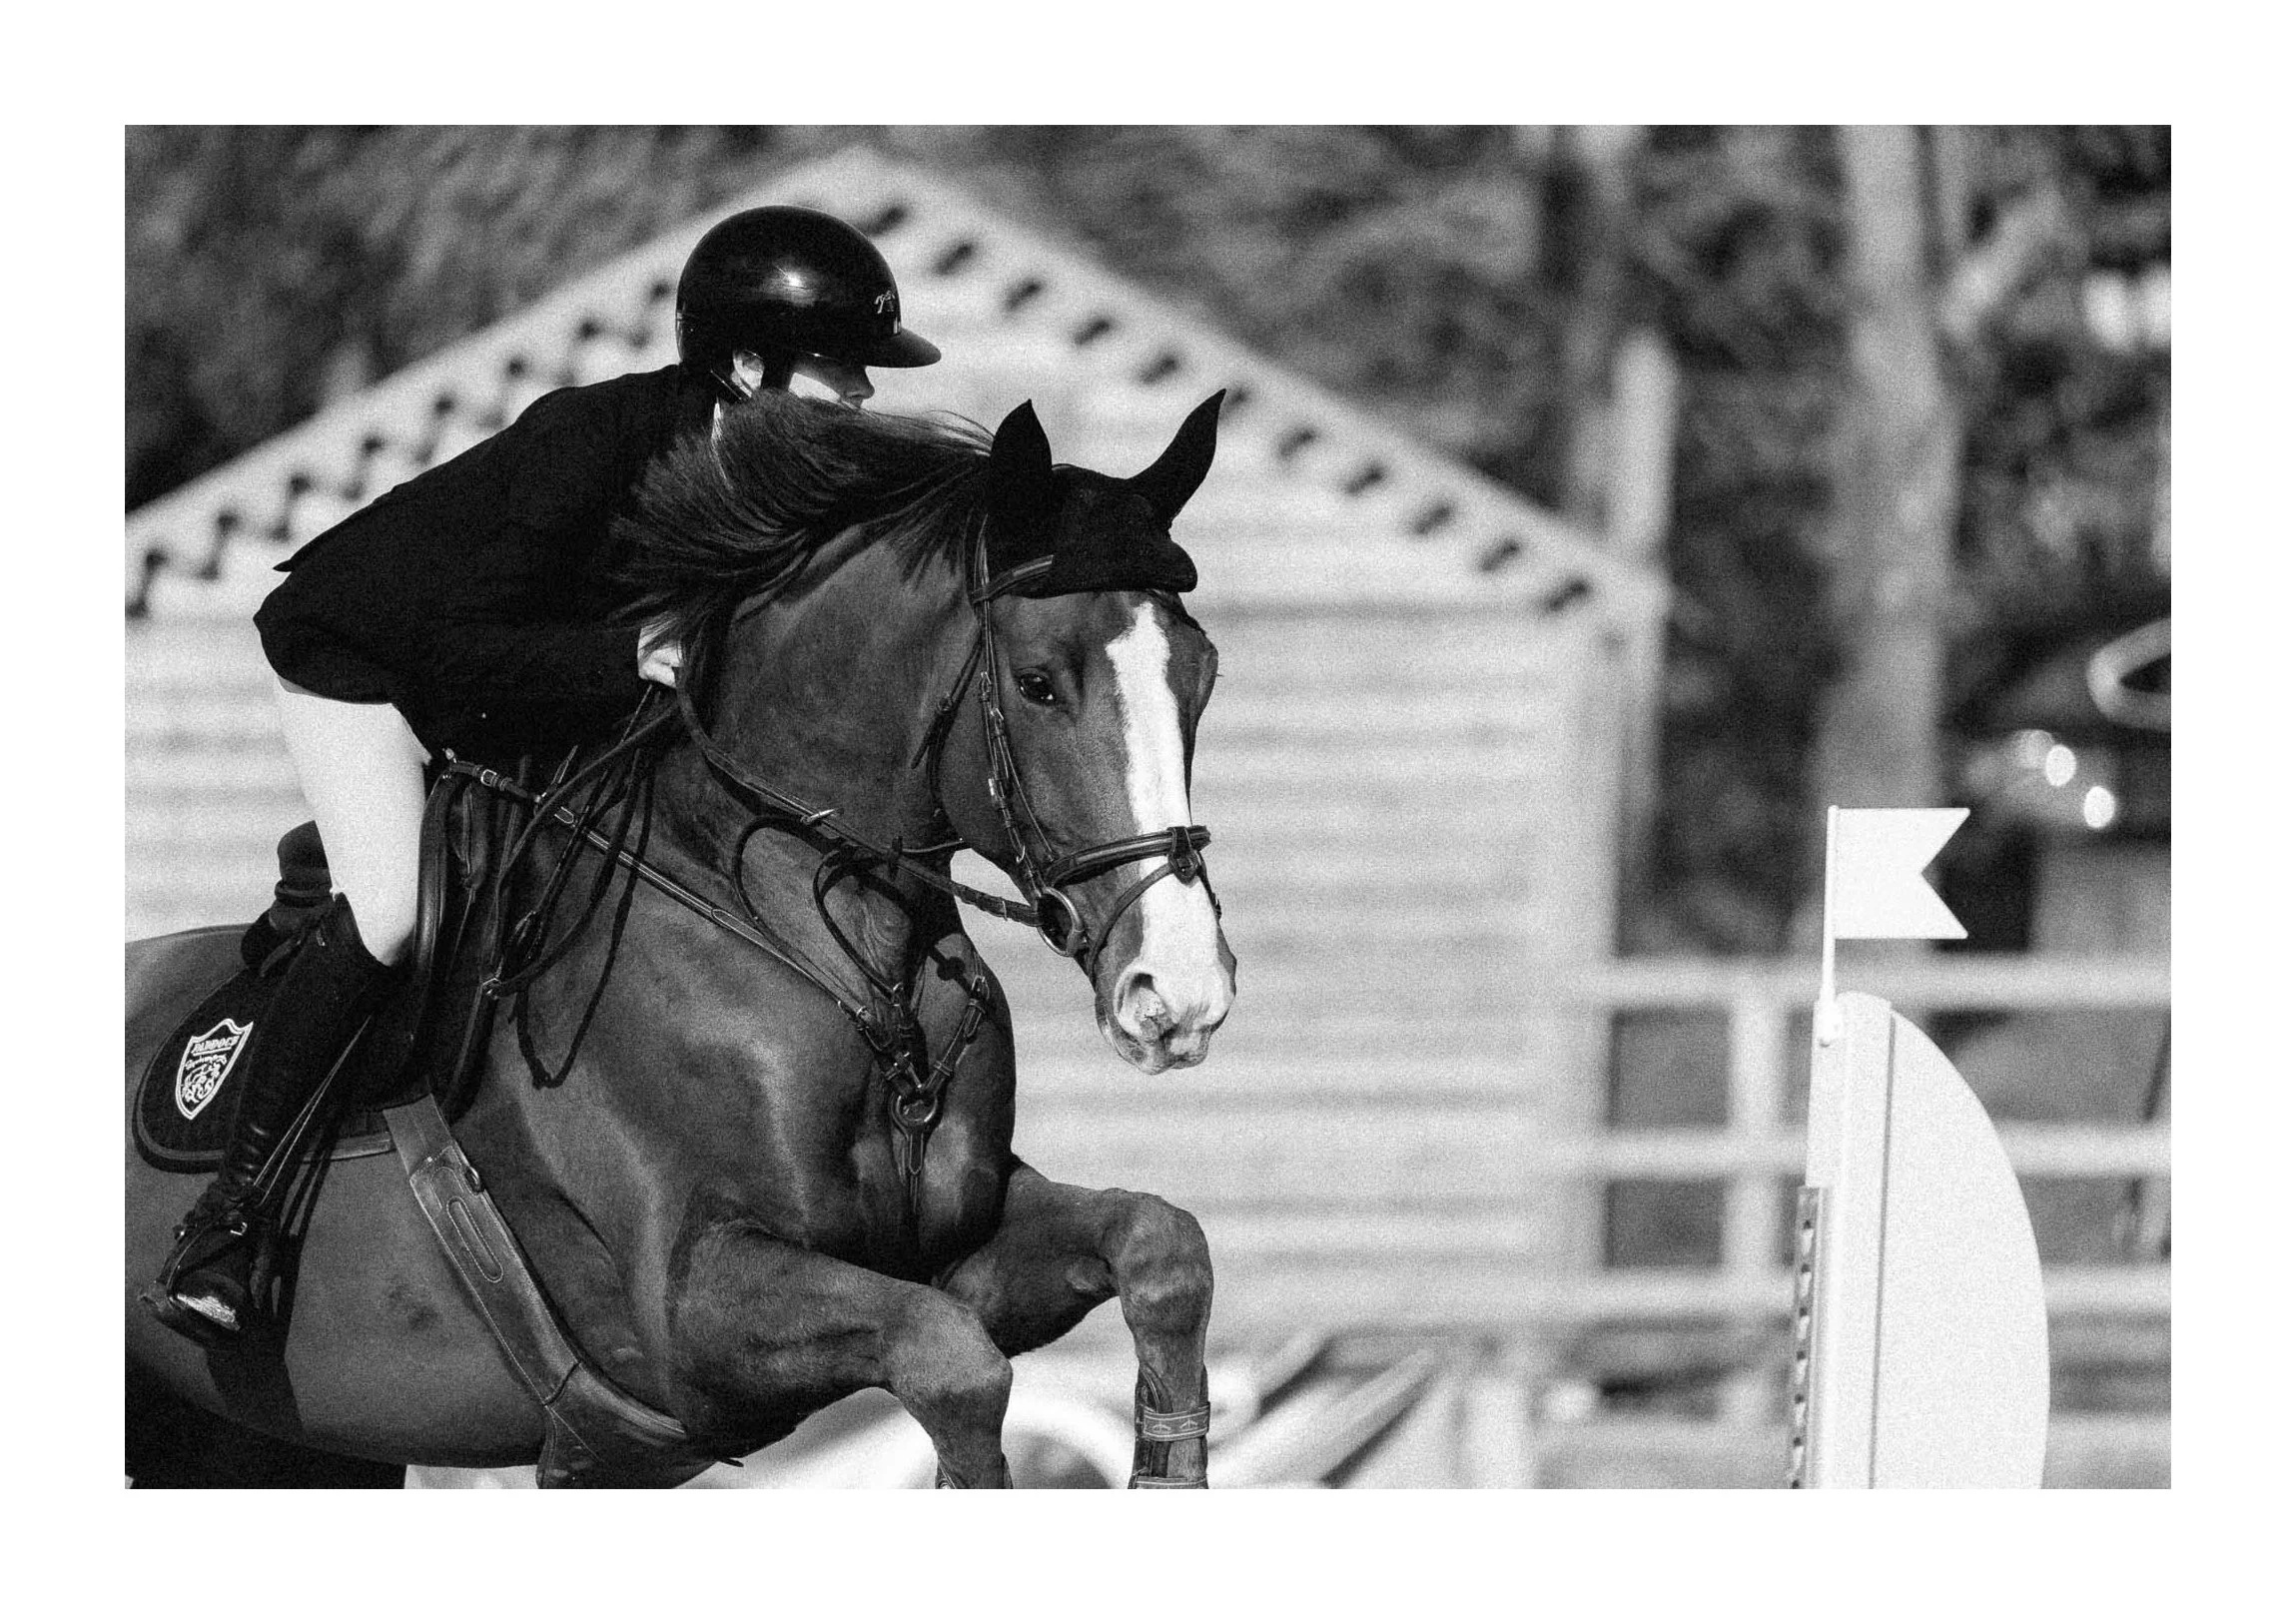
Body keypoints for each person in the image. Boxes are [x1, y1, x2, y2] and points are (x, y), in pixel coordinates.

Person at [144, 205, 942, 1348]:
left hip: (525, 673)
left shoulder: (780, 484)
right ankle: (230, 1221)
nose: (862, 398)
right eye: (840, 372)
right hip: (366, 656)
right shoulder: (594, 440)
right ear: (747, 366)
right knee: (394, 911)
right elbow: (463, 645)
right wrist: (629, 658)